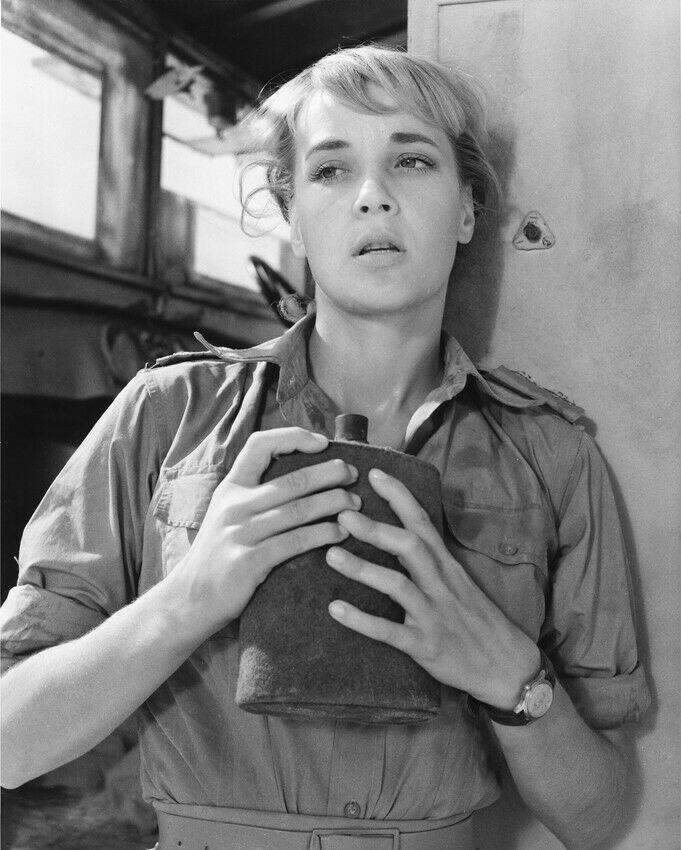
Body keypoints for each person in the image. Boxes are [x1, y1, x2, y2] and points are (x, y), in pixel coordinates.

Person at [1, 45, 651, 849]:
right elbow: (10, 742)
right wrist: (188, 600)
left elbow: (598, 818)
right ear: (294, 218)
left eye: (411, 160)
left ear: (466, 211)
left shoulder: (550, 456)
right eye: (332, 170)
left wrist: (512, 678)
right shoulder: (168, 416)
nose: (373, 195)